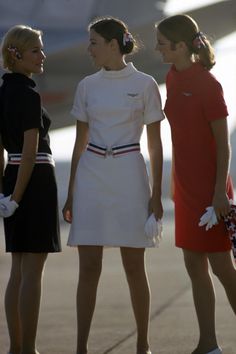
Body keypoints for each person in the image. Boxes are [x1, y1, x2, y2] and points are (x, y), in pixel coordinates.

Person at [62, 16, 164, 354]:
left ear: (112, 44)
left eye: (93, 42)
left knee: (135, 266)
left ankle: (143, 344)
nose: (89, 49)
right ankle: (80, 348)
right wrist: (72, 191)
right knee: (89, 266)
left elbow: (156, 145)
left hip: (130, 174)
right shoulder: (87, 85)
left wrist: (155, 194)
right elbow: (79, 143)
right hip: (91, 175)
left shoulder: (146, 83)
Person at [155, 14, 236, 354]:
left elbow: (223, 144)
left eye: (162, 43)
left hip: (210, 188)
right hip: (184, 186)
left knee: (221, 267)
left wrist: (220, 193)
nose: (158, 48)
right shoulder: (172, 76)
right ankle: (208, 344)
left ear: (181, 45)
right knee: (193, 265)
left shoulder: (208, 84)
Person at [0, 25, 61, 354]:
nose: (42, 56)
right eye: (36, 50)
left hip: (12, 180)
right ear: (17, 54)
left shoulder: (3, 92)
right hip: (33, 182)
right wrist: (18, 197)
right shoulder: (28, 93)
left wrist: (4, 192)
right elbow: (30, 147)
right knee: (31, 273)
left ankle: (15, 348)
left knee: (19, 270)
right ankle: (29, 350)